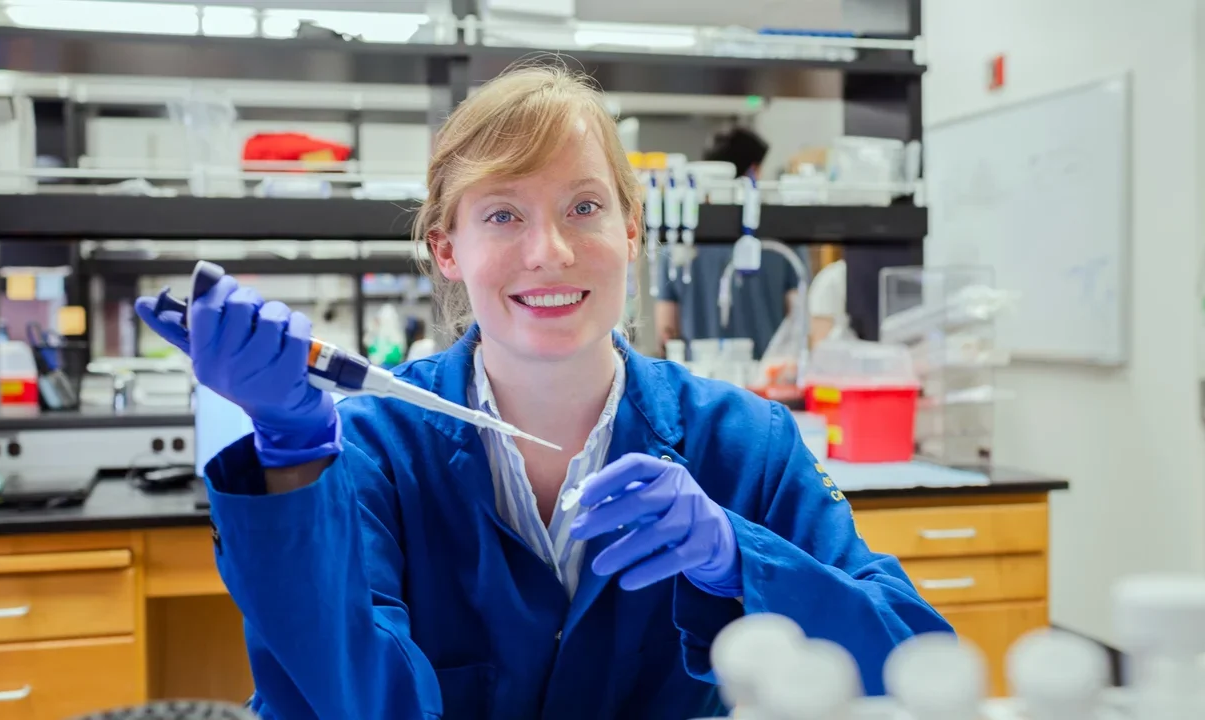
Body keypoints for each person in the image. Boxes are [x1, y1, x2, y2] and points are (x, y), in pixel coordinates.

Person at [136, 65, 951, 720]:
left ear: (630, 230)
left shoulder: (743, 443)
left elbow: (915, 663)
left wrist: (742, 560)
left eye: (584, 207)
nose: (549, 251)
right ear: (446, 249)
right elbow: (351, 703)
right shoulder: (375, 444)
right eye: (501, 215)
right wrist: (289, 461)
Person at [655, 125, 802, 360]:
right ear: (753, 172)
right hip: (767, 374)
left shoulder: (679, 238)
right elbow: (798, 323)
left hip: (697, 375)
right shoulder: (784, 237)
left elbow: (666, 331)